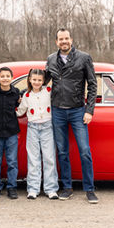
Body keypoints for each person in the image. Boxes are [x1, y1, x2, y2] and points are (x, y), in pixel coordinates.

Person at [46, 28, 98, 204]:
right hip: (57, 110)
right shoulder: (51, 59)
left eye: (66, 38)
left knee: (84, 151)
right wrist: (23, 93)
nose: (64, 42)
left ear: (71, 39)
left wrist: (89, 110)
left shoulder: (84, 58)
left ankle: (89, 189)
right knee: (62, 151)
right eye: (60, 39)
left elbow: (92, 84)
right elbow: (41, 82)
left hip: (77, 110)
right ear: (56, 42)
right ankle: (67, 187)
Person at [16, 69, 59, 200]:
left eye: (39, 80)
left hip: (47, 127)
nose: (36, 82)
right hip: (32, 128)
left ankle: (51, 189)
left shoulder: (49, 92)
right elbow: (20, 112)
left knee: (49, 158)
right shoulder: (27, 96)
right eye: (34, 79)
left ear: (43, 81)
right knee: (33, 159)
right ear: (29, 79)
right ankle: (33, 189)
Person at [0, 66, 21, 200]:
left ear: (12, 78)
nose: (5, 79)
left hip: (11, 132)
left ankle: (11, 187)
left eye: (7, 76)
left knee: (12, 161)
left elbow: (21, 106)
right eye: (2, 76)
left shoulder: (16, 93)